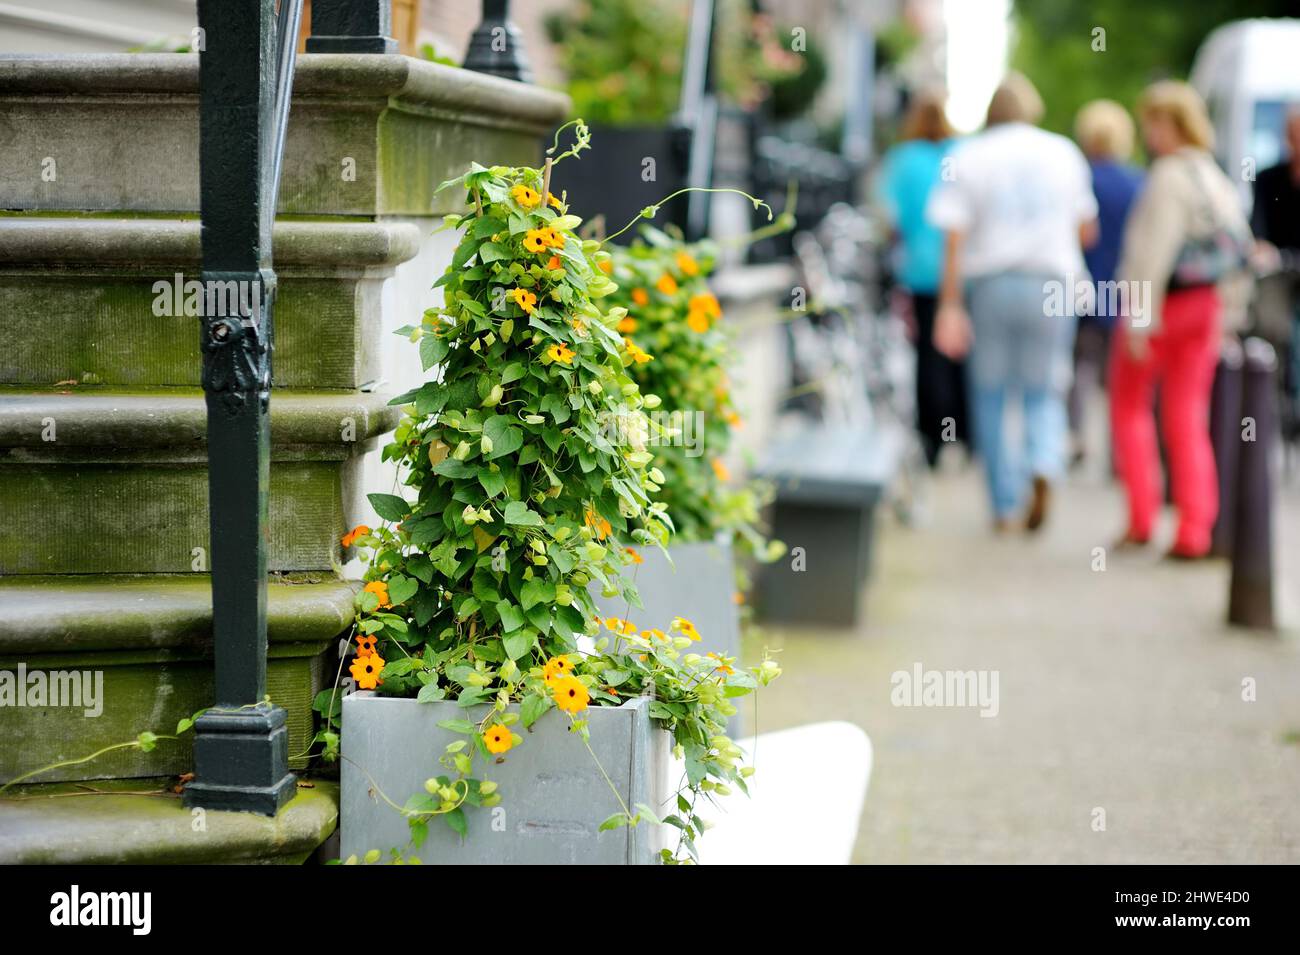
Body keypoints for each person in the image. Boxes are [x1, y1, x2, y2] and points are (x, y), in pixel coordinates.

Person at [927, 73, 1098, 532]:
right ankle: (1044, 461)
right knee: (1044, 389)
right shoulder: (1063, 152)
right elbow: (1087, 229)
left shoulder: (970, 155)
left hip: (994, 283)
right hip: (1053, 282)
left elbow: (954, 236)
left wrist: (949, 304)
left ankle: (1004, 504)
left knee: (991, 393)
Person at [1110, 80, 1252, 559]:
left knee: (1130, 407)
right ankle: (1195, 527)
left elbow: (1153, 253)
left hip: (1164, 308)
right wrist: (1229, 313)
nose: (1148, 133)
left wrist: (1137, 320)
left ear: (1168, 123)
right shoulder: (1216, 177)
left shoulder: (1169, 175)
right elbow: (1239, 253)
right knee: (1188, 416)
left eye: (1152, 122)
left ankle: (1142, 517)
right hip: (1206, 306)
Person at [877, 89, 968, 467]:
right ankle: (964, 434)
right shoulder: (961, 155)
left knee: (927, 355)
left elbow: (889, 219)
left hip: (920, 271)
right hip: (963, 271)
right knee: (961, 354)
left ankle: (932, 438)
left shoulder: (903, 160)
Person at [1070, 100, 1143, 465]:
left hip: (1084, 286)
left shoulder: (1080, 178)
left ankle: (1076, 438)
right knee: (1120, 375)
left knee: (1079, 369)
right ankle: (1120, 451)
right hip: (1129, 290)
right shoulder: (1138, 181)